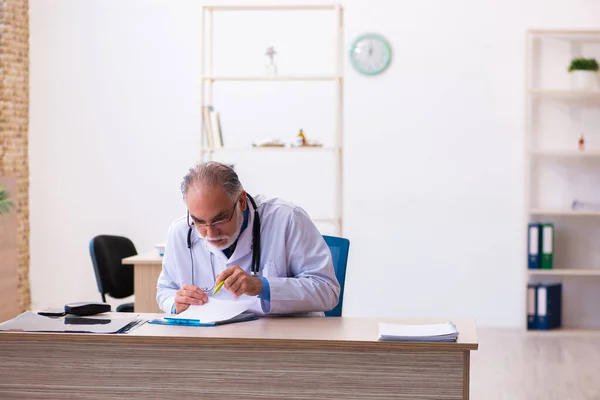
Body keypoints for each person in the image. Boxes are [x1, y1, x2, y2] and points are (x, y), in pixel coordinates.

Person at [156, 161, 340, 316]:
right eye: (199, 222)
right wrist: (176, 303)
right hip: (213, 340)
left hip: (284, 339)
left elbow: (327, 291)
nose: (210, 234)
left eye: (220, 219)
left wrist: (263, 286)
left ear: (241, 201)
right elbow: (165, 290)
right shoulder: (180, 231)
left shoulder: (287, 218)